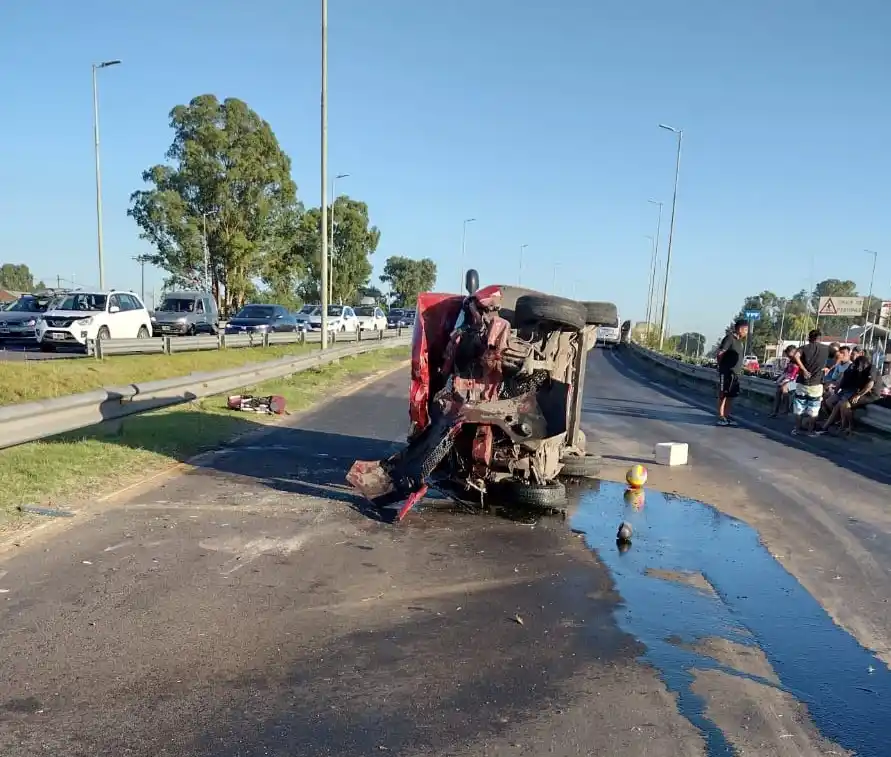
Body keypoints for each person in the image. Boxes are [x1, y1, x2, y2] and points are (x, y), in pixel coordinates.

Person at [817, 354, 875, 436]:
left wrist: (858, 395)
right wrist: (837, 388)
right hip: (847, 390)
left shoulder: (869, 369)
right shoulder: (853, 366)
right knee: (829, 402)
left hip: (856, 391)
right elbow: (843, 378)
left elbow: (869, 384)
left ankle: (836, 426)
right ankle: (835, 422)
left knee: (841, 405)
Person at [791, 329, 830, 436]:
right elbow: (839, 355)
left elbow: (795, 356)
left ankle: (797, 429)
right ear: (820, 338)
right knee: (814, 410)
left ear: (809, 338)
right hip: (816, 385)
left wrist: (803, 369)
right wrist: (829, 367)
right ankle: (810, 431)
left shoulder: (804, 348)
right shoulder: (826, 349)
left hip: (802, 383)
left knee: (799, 408)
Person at [715, 319, 748, 426]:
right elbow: (720, 353)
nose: (746, 332)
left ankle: (726, 415)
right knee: (723, 394)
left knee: (730, 395)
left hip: (736, 373)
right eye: (745, 330)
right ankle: (721, 416)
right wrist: (722, 366)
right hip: (727, 371)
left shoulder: (740, 342)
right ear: (739, 329)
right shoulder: (729, 338)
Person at [769, 345, 799, 417]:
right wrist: (779, 379)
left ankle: (785, 409)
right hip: (789, 380)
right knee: (778, 390)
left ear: (793, 352)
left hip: (797, 381)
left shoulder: (799, 361)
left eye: (789, 355)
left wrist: (785, 381)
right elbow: (785, 372)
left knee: (784, 388)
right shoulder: (791, 361)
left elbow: (794, 374)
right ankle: (775, 411)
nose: (788, 357)